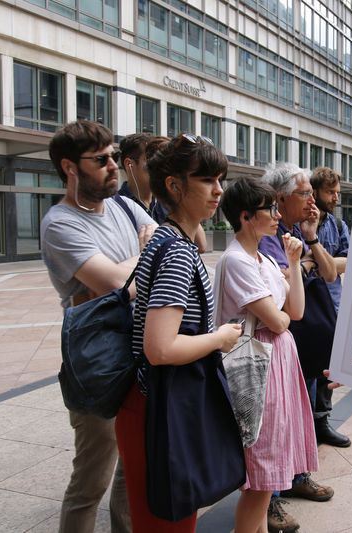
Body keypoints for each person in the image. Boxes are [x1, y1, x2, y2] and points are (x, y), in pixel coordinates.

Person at [115, 134, 242, 532]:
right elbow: (160, 347)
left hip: (152, 401)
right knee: (167, 521)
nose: (218, 190)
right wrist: (220, 338)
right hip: (160, 405)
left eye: (220, 179)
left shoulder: (170, 239)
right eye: (206, 179)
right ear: (174, 185)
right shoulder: (176, 251)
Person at [42, 120, 157, 533]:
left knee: (132, 466)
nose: (113, 166)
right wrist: (140, 262)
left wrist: (131, 271)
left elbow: (163, 253)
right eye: (101, 159)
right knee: (92, 476)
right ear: (70, 168)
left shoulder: (127, 207)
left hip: (140, 348)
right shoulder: (59, 223)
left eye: (113, 156)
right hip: (97, 360)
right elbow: (113, 282)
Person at [214, 176, 319, 533]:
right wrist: (283, 317)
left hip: (276, 361)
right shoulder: (237, 262)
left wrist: (292, 263)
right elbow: (278, 321)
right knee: (261, 476)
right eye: (268, 209)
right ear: (245, 216)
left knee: (267, 473)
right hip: (258, 362)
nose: (276, 215)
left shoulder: (264, 258)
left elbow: (297, 312)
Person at [258, 163, 338, 532]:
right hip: (276, 342)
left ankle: (298, 476)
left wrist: (312, 239)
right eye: (304, 193)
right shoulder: (266, 235)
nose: (311, 201)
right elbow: (282, 292)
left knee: (301, 417)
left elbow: (329, 272)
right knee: (275, 425)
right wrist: (300, 264)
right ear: (280, 198)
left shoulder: (298, 233)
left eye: (310, 193)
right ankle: (269, 500)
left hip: (303, 342)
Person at [308, 166, 351, 447]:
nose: (335, 198)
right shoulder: (302, 223)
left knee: (328, 368)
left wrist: (318, 262)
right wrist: (328, 264)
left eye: (337, 192)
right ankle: (306, 424)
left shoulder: (337, 225)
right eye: (330, 192)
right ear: (314, 192)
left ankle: (322, 421)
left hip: (333, 304)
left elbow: (348, 261)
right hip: (306, 307)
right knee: (308, 367)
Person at [118, 133, 208, 250]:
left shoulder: (166, 201)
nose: (157, 165)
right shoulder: (118, 206)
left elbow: (201, 245)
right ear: (129, 164)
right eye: (150, 158)